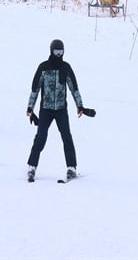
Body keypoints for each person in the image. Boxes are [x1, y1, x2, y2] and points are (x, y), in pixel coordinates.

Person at [25, 38, 86, 183]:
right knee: (41, 137)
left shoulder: (66, 67)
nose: (58, 55)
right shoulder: (43, 67)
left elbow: (73, 88)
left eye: (61, 52)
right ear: (51, 51)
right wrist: (30, 107)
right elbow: (35, 88)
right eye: (56, 52)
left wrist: (80, 105)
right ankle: (32, 166)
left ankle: (71, 167)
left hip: (61, 109)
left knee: (66, 137)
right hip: (45, 109)